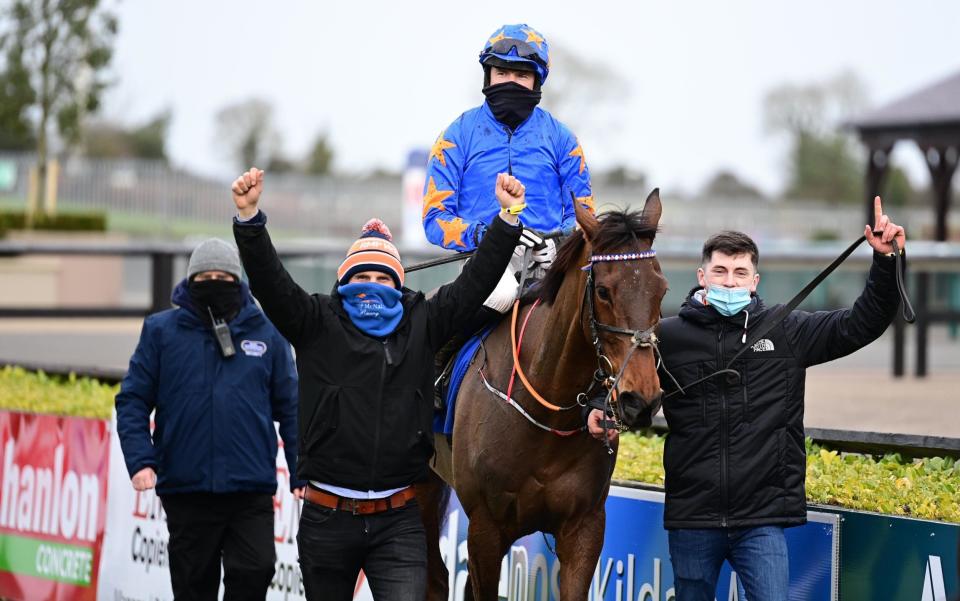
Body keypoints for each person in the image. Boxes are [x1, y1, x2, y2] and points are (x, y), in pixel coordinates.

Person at [587, 197, 906, 600]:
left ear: (755, 282)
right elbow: (618, 373)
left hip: (762, 520)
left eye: (741, 273)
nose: (730, 281)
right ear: (702, 276)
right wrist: (599, 406)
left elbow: (862, 323)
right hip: (693, 517)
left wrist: (884, 261)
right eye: (720, 271)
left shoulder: (788, 330)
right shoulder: (666, 337)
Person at [230, 166, 523, 600]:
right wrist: (250, 219)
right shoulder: (314, 321)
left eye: (383, 278)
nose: (373, 286)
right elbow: (270, 282)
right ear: (343, 282)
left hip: (399, 521)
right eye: (362, 278)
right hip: (326, 520)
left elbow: (474, 282)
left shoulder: (423, 320)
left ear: (398, 282)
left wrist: (508, 219)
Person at [115, 238, 304, 601]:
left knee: (256, 569)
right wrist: (141, 460)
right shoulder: (160, 332)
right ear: (190, 282)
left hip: (250, 489)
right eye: (205, 276)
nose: (214, 282)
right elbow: (133, 400)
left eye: (222, 275)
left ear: (238, 280)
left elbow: (293, 409)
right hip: (187, 489)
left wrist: (301, 471)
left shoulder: (267, 333)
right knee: (193, 586)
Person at [422, 23, 594, 299]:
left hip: (551, 265)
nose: (511, 81)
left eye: (522, 74)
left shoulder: (564, 140)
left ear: (537, 81)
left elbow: (584, 215)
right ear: (488, 76)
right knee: (490, 302)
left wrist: (559, 243)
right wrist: (487, 234)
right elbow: (435, 219)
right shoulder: (455, 137)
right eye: (501, 72)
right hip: (480, 265)